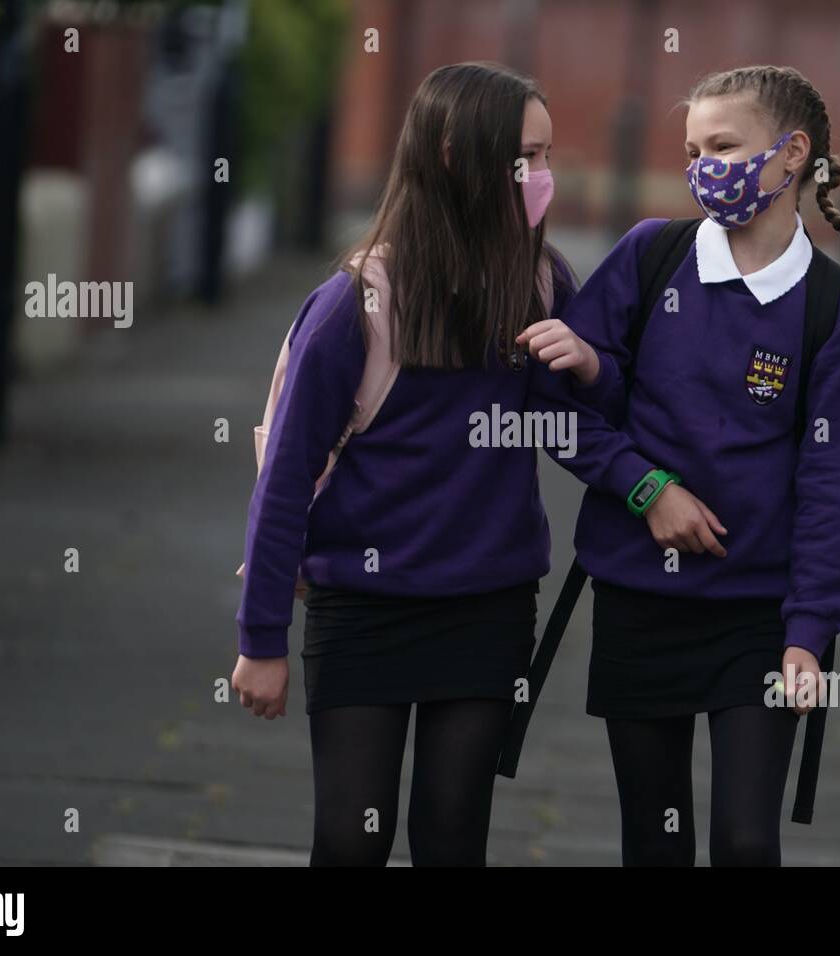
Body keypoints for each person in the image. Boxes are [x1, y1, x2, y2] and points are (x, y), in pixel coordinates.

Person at [520, 65, 840, 866]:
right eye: (692, 150)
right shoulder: (649, 257)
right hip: (639, 600)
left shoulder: (834, 311)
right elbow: (556, 407)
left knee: (745, 840)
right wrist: (647, 487)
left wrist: (810, 631)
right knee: (654, 840)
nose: (703, 169)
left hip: (758, 621)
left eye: (723, 146)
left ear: (792, 154)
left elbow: (833, 484)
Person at [231, 62, 593, 867]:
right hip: (361, 608)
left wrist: (593, 371)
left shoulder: (542, 284)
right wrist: (261, 639)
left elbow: (579, 434)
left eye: (545, 156)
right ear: (456, 156)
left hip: (488, 609)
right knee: (351, 840)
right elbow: (284, 479)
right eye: (522, 159)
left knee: (452, 836)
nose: (541, 178)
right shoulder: (351, 307)